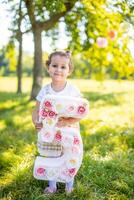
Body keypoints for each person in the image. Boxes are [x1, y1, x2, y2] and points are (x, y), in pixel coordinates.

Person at [32, 50, 83, 194]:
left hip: (68, 132)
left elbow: (81, 111)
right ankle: (52, 184)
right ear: (48, 67)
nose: (58, 70)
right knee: (52, 157)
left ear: (69, 70)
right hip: (51, 132)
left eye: (63, 67)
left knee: (69, 157)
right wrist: (36, 121)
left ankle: (68, 184)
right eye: (55, 65)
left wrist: (68, 121)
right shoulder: (45, 90)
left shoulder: (73, 90)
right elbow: (36, 110)